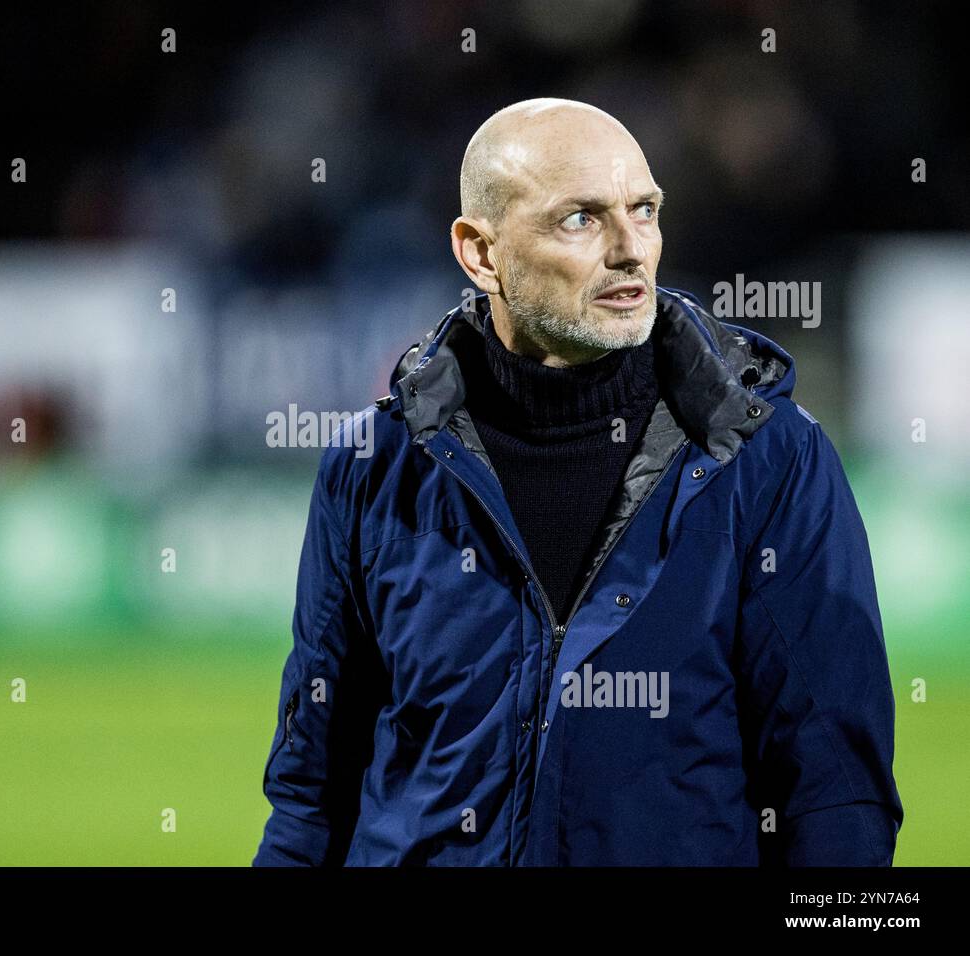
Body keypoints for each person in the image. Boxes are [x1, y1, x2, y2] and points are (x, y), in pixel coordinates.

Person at [252, 98, 902, 866]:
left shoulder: (770, 458)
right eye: (581, 220)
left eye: (646, 210)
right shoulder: (373, 464)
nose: (632, 250)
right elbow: (311, 792)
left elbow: (835, 795)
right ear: (480, 253)